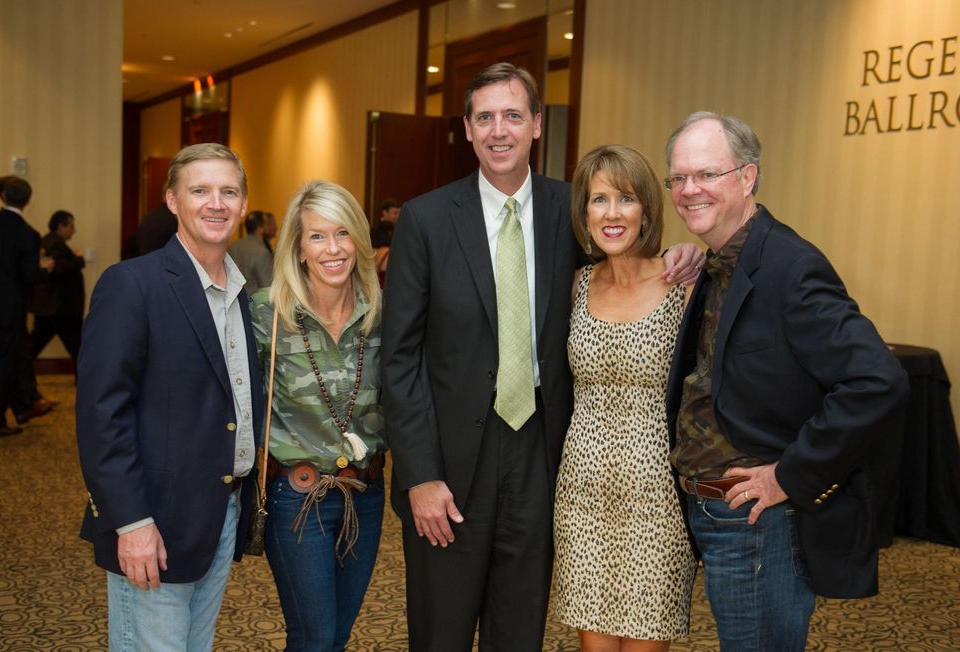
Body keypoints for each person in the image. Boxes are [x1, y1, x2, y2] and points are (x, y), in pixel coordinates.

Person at [381, 62, 703, 652]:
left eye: (512, 115)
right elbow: (399, 360)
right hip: (449, 462)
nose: (498, 130)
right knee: (440, 631)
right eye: (484, 117)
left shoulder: (572, 211)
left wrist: (686, 256)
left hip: (543, 451)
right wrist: (420, 475)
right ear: (467, 129)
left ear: (535, 125)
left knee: (519, 628)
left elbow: (624, 268)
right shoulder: (425, 220)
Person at [663, 112, 909, 651]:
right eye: (678, 177)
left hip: (760, 523)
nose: (689, 189)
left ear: (747, 177)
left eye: (706, 174)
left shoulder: (790, 265)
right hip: (713, 516)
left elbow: (878, 381)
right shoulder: (721, 261)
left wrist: (790, 475)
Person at [76, 143, 263, 650]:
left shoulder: (240, 295)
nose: (216, 204)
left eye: (228, 192)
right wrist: (131, 522)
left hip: (220, 511)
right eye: (200, 190)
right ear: (173, 201)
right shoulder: (131, 285)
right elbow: (101, 417)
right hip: (153, 520)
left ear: (244, 204)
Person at [553, 145, 697, 652]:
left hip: (658, 498)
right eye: (599, 200)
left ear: (646, 211)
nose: (612, 214)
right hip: (582, 494)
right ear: (584, 213)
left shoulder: (683, 284)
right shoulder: (575, 285)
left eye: (626, 199)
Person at [250, 179, 386, 652]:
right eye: (317, 236)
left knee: (336, 637)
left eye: (343, 233)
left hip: (365, 495)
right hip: (296, 497)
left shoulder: (382, 312)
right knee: (315, 637)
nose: (333, 248)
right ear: (298, 247)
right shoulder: (265, 313)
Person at [0, 176, 52, 436]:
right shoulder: (28, 234)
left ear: (3, 195)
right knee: (4, 363)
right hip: (8, 308)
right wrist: (46, 269)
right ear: (28, 201)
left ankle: (21, 406)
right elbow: (29, 276)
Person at [31, 210, 86, 367]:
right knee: (77, 347)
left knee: (34, 344)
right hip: (61, 307)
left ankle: (17, 375)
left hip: (51, 306)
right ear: (61, 226)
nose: (74, 230)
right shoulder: (55, 244)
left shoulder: (48, 241)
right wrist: (79, 259)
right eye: (71, 226)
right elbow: (60, 268)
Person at [228, 210, 274, 296]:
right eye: (267, 224)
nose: (271, 227)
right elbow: (268, 288)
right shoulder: (261, 252)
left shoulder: (231, 247)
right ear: (261, 228)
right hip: (254, 302)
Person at [370, 198, 399, 283]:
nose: (397, 216)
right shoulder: (374, 231)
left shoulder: (398, 229)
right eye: (395, 213)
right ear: (384, 212)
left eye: (398, 213)